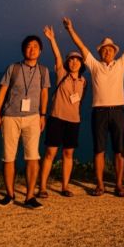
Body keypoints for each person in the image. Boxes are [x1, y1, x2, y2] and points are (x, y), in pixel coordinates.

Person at [62, 16, 124, 197]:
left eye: (110, 49)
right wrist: (70, 29)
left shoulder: (120, 64)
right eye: (104, 50)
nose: (107, 52)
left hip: (117, 112)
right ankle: (100, 185)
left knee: (119, 151)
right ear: (100, 53)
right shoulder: (94, 65)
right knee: (99, 150)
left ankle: (119, 185)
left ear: (114, 52)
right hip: (99, 112)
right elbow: (81, 46)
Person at [0, 35, 51, 210]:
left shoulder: (43, 71)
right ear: (23, 49)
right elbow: (2, 91)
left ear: (40, 51)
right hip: (10, 116)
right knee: (8, 157)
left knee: (33, 157)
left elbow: (44, 94)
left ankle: (30, 196)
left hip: (33, 117)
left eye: (35, 46)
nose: (32, 49)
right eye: (28, 46)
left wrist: (43, 115)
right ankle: (9, 195)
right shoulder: (13, 68)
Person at [37, 25, 88, 198]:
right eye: (71, 60)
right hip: (56, 118)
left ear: (81, 64)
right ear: (67, 63)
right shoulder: (61, 73)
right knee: (50, 153)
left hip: (73, 121)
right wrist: (52, 39)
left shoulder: (83, 81)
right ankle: (42, 187)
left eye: (77, 60)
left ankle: (65, 186)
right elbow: (57, 55)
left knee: (68, 153)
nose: (74, 62)